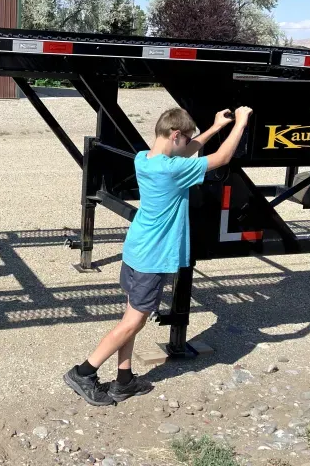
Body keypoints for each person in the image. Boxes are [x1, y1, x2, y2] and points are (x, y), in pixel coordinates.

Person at [63, 105, 253, 406]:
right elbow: (221, 158)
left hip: (136, 250)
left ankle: (124, 380)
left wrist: (216, 127)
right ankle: (83, 372)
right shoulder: (172, 170)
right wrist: (240, 123)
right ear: (175, 135)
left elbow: (188, 149)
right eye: (185, 138)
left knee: (132, 318)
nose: (187, 143)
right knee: (131, 323)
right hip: (152, 257)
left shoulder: (145, 159)